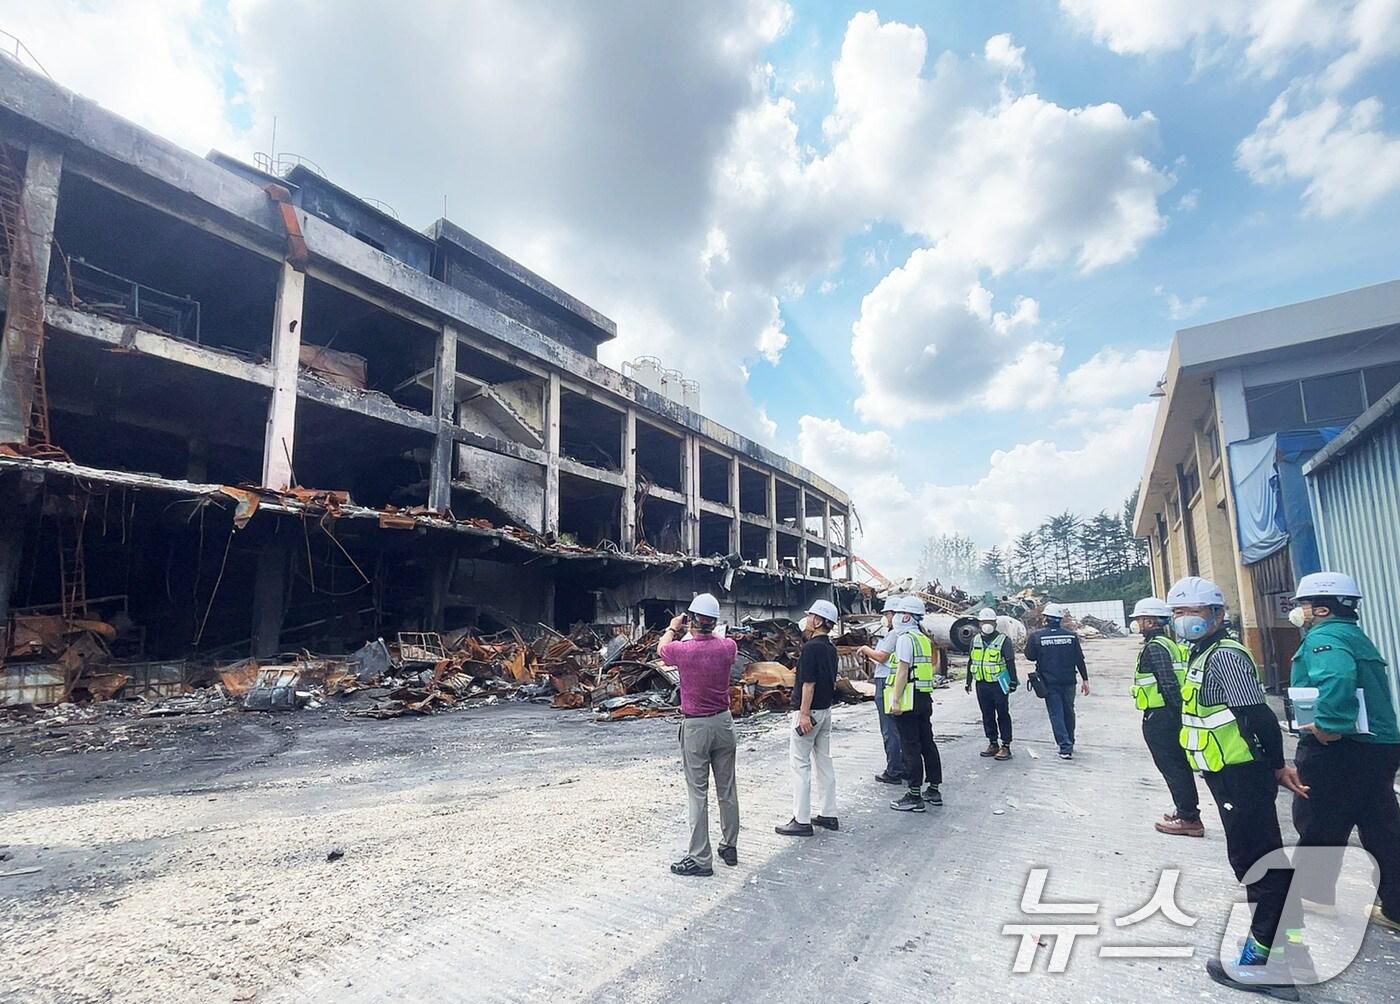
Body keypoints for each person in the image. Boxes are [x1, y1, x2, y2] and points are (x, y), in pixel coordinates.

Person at [1166, 575, 1310, 996]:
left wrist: (1278, 765)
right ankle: (1287, 951)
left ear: (1217, 615)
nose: (1183, 619)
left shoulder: (1224, 656)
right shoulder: (1202, 652)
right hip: (1227, 773)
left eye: (1192, 611)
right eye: (1177, 612)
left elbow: (1259, 715)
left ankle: (1268, 966)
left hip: (1241, 774)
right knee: (1259, 860)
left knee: (1257, 863)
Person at [1286, 572, 1400, 935]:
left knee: (1319, 816)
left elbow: (1337, 678)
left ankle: (1312, 894)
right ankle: (1396, 905)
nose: (1300, 612)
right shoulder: (1354, 635)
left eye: (1304, 605)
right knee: (1380, 825)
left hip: (1342, 747)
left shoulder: (1326, 636)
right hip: (1377, 747)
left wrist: (1329, 724)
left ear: (1321, 607)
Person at [657, 592, 740, 878]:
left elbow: (661, 650)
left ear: (691, 620)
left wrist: (672, 627)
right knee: (727, 788)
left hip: (696, 727)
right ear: (715, 621)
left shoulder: (683, 650)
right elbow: (715, 639)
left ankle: (700, 858)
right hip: (724, 723)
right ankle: (729, 846)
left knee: (698, 793)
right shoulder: (728, 647)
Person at [1129, 597, 1204, 838]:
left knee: (1173, 766)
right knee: (1177, 766)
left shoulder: (1156, 647)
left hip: (1161, 716)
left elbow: (1168, 682)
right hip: (1167, 713)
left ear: (1150, 620)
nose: (1137, 624)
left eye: (1140, 619)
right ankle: (1185, 809)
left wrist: (1175, 714)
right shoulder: (1168, 643)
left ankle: (1189, 817)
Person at [776, 599, 841, 837]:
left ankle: (801, 820)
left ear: (820, 620)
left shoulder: (811, 648)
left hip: (809, 713)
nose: (808, 620)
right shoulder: (830, 648)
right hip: (825, 712)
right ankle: (828, 813)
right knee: (824, 761)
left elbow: (808, 683)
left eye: (812, 616)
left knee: (800, 765)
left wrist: (803, 713)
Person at [885, 596, 943, 812]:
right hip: (924, 697)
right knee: (927, 742)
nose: (894, 618)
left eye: (898, 614)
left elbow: (902, 671)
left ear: (906, 616)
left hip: (908, 699)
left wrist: (896, 700)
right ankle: (934, 790)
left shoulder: (905, 639)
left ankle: (914, 795)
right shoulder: (923, 639)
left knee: (910, 746)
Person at [1024, 603, 1089, 759]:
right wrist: (1085, 679)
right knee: (1069, 712)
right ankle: (1070, 741)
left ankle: (1064, 746)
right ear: (1060, 619)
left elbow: (1030, 656)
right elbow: (1079, 659)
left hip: (1049, 682)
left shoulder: (1037, 636)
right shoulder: (1071, 636)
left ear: (1046, 618)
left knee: (1056, 714)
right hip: (1069, 680)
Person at [855, 596, 905, 785]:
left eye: (887, 613)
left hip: (886, 682)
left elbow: (882, 657)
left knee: (889, 728)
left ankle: (894, 770)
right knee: (898, 727)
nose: (885, 617)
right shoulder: (901, 634)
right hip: (891, 680)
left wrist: (866, 649)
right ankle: (904, 766)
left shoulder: (894, 635)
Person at [965, 607, 1018, 760]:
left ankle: (1006, 745)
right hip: (981, 683)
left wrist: (1013, 681)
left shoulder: (1003, 640)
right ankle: (993, 742)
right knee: (987, 714)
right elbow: (971, 661)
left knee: (1002, 714)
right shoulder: (975, 640)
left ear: (995, 623)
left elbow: (1010, 662)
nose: (986, 625)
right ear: (979, 623)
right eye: (983, 622)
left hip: (998, 684)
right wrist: (968, 681)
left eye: (989, 622)